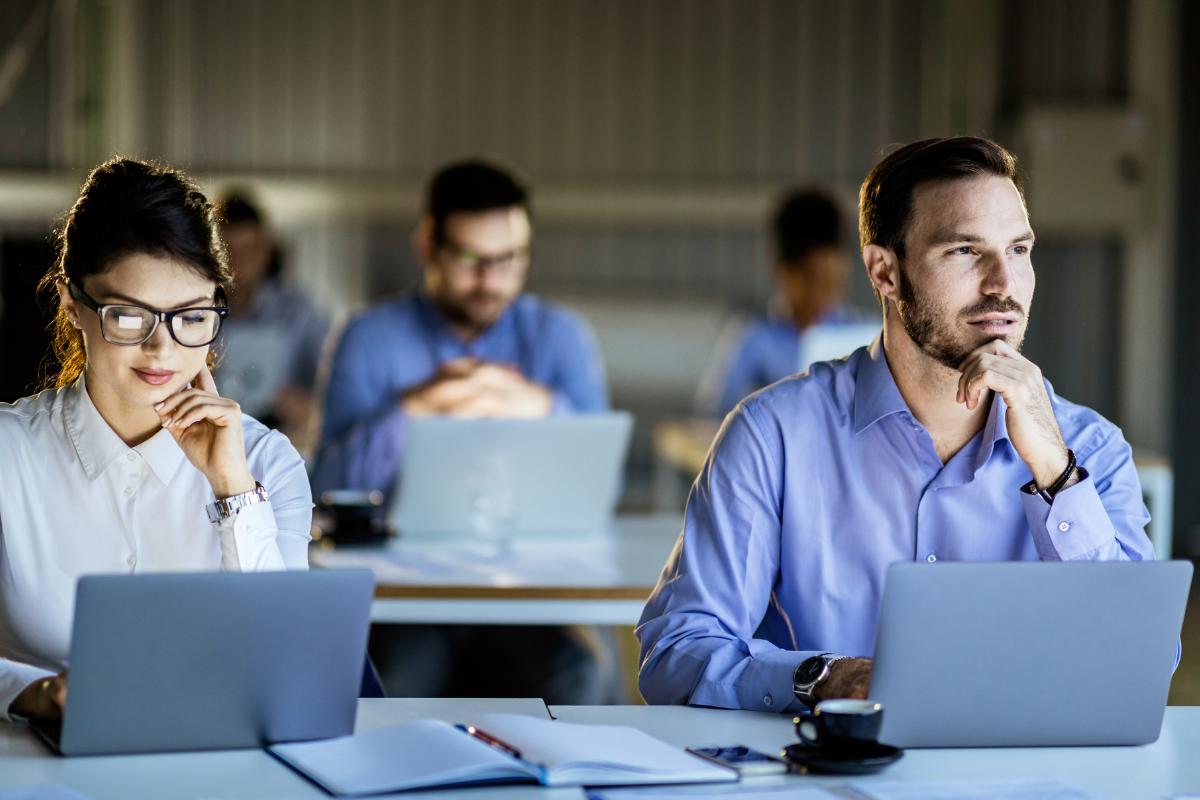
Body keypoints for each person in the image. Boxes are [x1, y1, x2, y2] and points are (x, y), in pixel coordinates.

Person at [637, 137, 1154, 710]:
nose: (1004, 284)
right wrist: (824, 678)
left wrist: (1057, 478)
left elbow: (1139, 663)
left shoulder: (1089, 451)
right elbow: (675, 652)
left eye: (1019, 250)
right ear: (884, 271)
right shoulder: (772, 436)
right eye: (963, 251)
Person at [0, 158, 312, 721]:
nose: (162, 350)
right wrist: (35, 695)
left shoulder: (267, 461)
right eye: (128, 316)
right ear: (72, 303)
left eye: (191, 317)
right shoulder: (9, 453)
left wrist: (232, 488)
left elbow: (285, 661)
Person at [312, 159, 611, 703]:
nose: (491, 280)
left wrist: (541, 406)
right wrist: (417, 407)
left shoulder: (561, 337)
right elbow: (327, 486)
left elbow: (600, 488)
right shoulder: (369, 338)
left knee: (581, 681)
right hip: (407, 595)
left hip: (533, 592)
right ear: (428, 246)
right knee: (383, 696)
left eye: (510, 259)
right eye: (471, 259)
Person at [695, 190, 875, 418]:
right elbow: (714, 415)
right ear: (781, 270)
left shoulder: (867, 338)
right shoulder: (753, 338)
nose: (820, 295)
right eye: (810, 280)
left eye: (830, 282)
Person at [214, 195, 330, 451]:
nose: (238, 266)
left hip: (283, 444)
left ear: (266, 250)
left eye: (248, 252)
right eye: (228, 253)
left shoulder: (300, 312)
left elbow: (331, 387)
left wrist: (311, 411)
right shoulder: (192, 312)